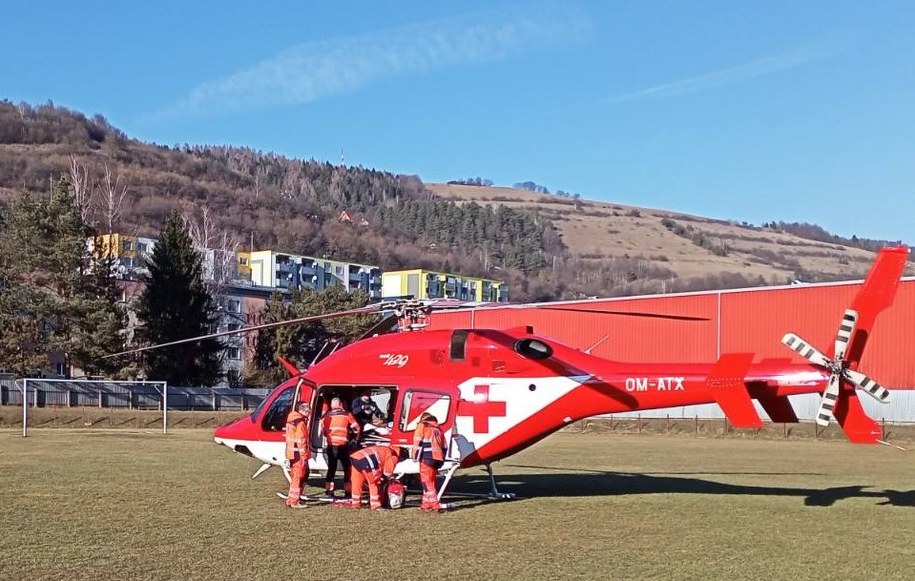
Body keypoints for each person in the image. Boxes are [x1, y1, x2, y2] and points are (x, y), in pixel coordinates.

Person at [320, 397, 361, 498]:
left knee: (331, 469)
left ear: (332, 405)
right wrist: (354, 438)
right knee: (347, 469)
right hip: (343, 445)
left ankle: (329, 491)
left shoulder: (326, 416)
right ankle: (348, 491)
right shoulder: (347, 414)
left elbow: (324, 432)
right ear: (341, 404)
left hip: (331, 446)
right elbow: (357, 428)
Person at [349, 444, 404, 510]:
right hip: (366, 460)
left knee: (356, 482)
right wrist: (386, 478)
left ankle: (355, 503)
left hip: (356, 457)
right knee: (374, 482)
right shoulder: (393, 455)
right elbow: (387, 472)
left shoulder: (383, 448)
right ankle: (375, 505)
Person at [412, 412, 447, 512]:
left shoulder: (422, 425)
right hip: (438, 458)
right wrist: (442, 459)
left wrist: (414, 456)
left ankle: (435, 505)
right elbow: (445, 446)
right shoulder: (438, 429)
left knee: (427, 483)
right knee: (431, 481)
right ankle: (425, 504)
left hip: (426, 457)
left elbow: (417, 441)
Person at [284, 402, 312, 508]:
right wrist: (304, 457)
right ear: (303, 411)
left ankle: (292, 499)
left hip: (292, 453)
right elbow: (302, 440)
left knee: (297, 476)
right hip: (298, 453)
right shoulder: (300, 422)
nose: (310, 413)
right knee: (298, 476)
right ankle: (294, 501)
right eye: (308, 410)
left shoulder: (292, 418)